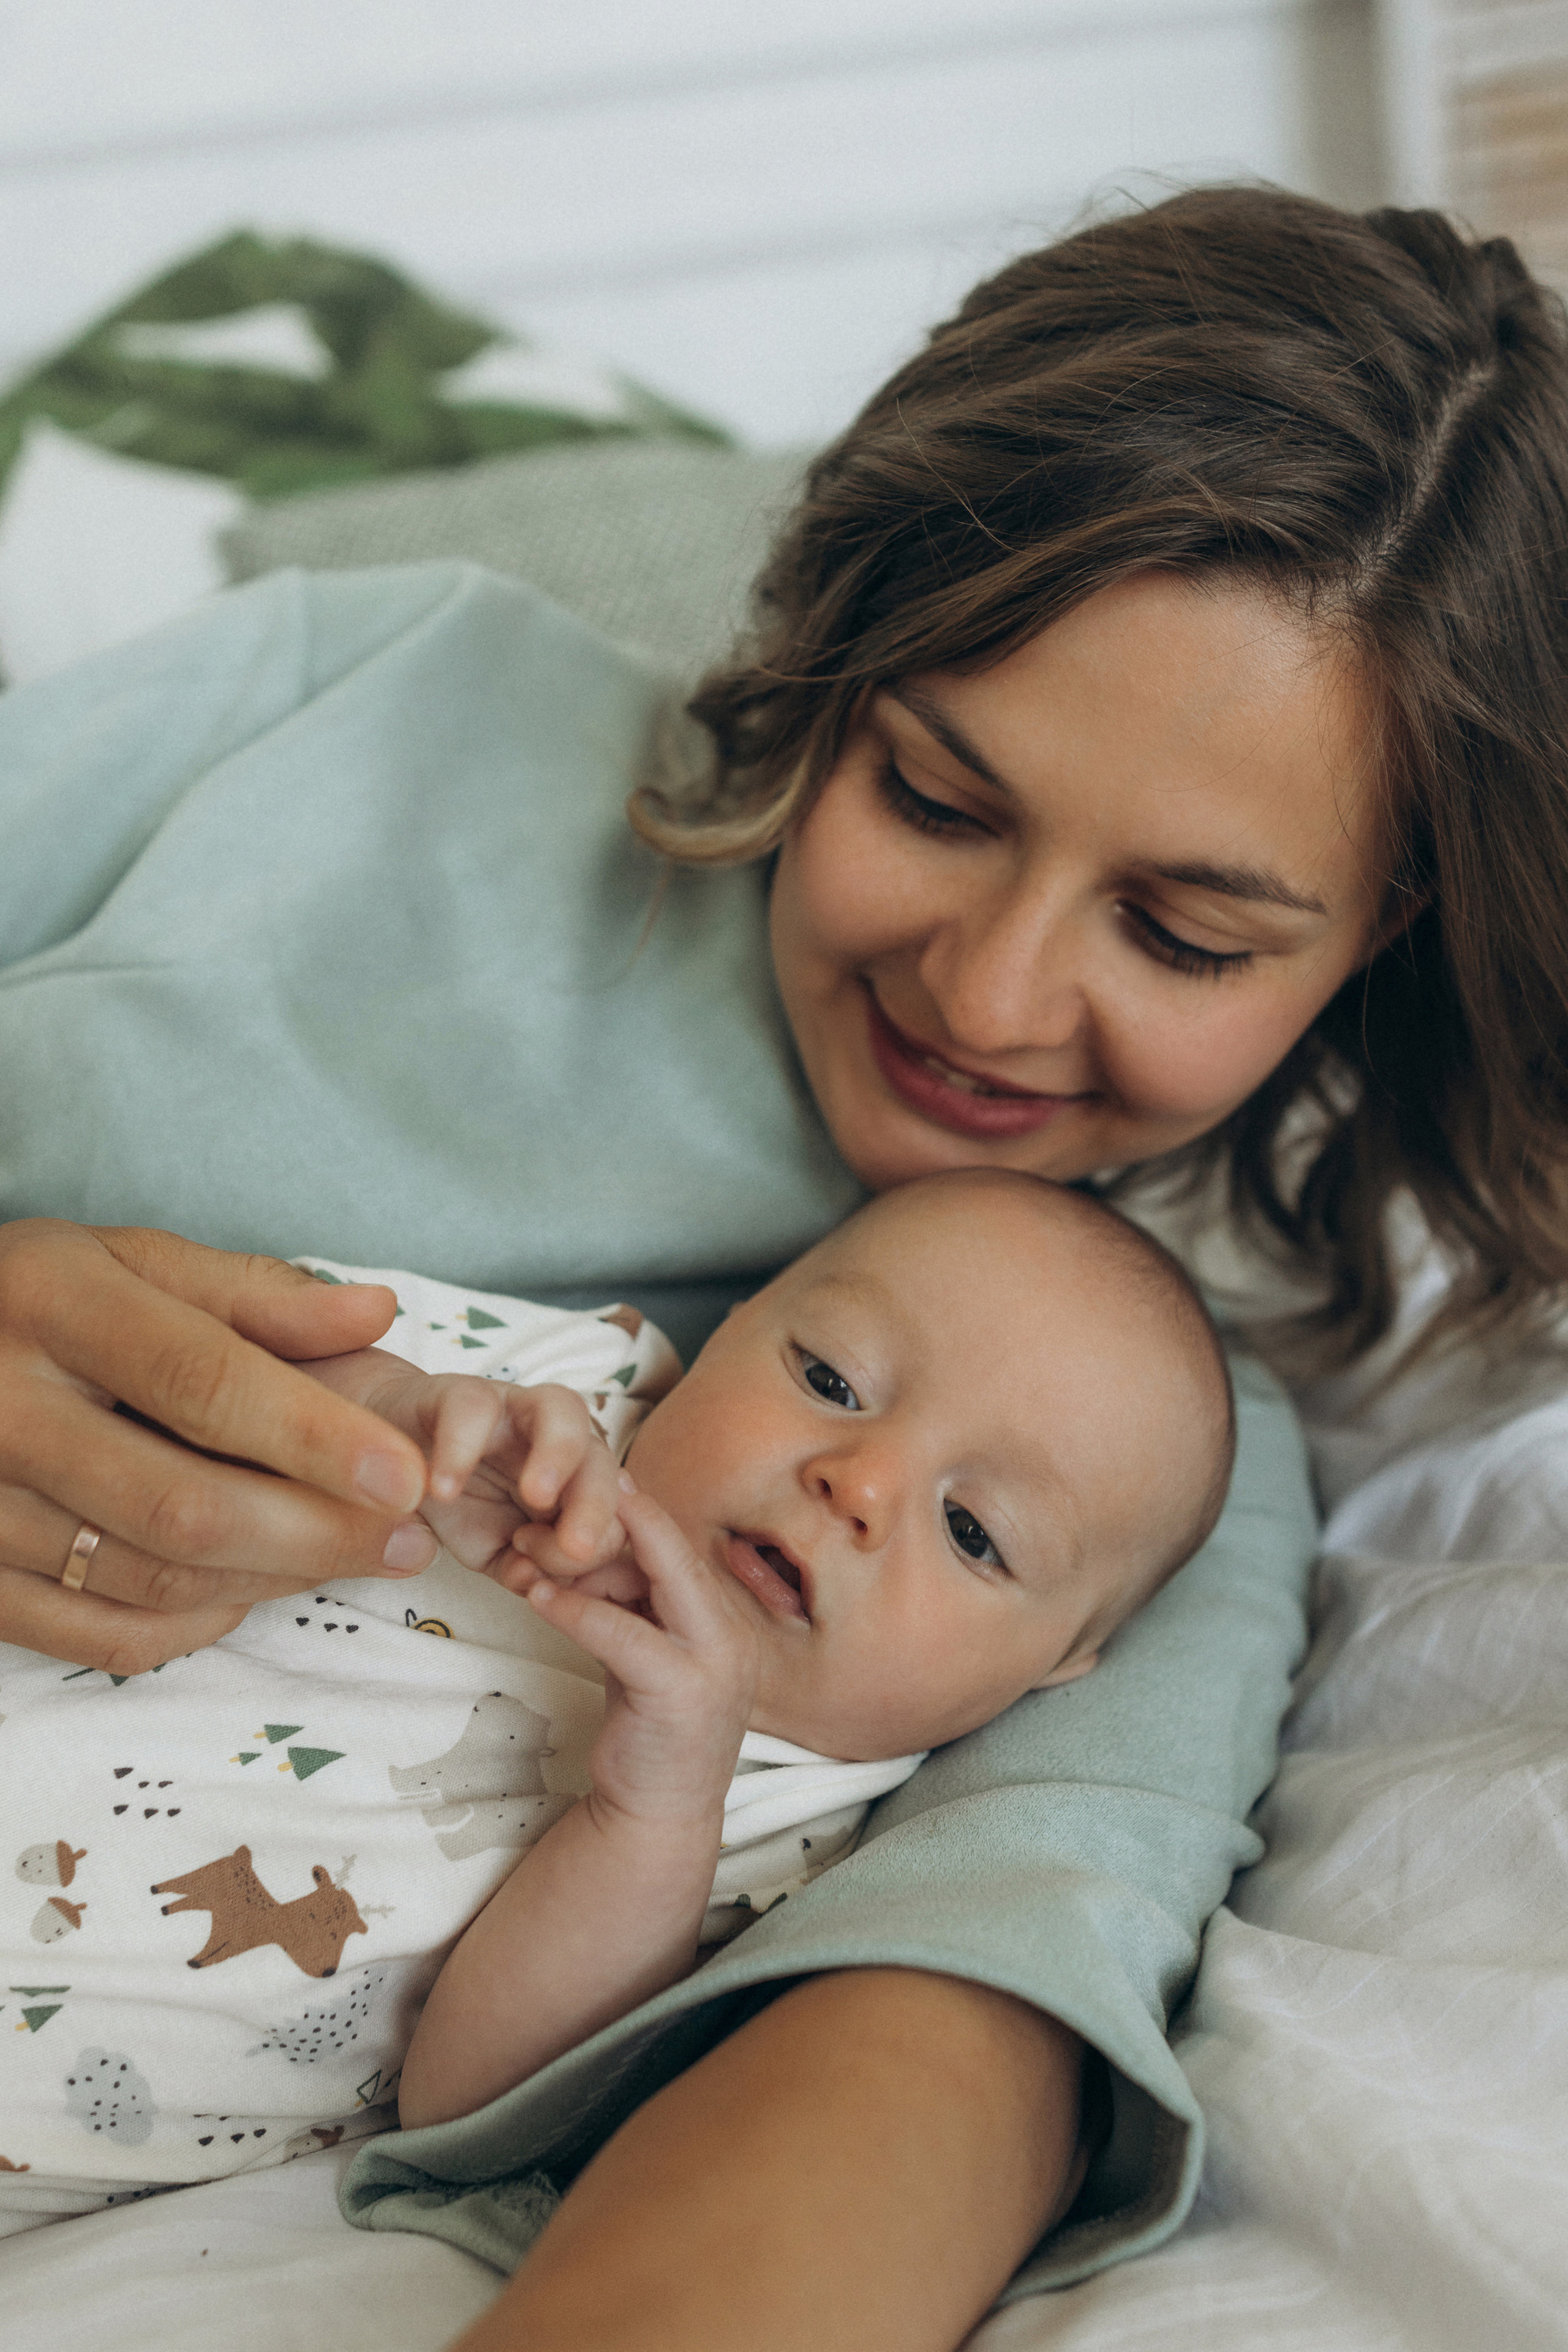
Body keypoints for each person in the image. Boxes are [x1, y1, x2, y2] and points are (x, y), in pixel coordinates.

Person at [0, 182, 1563, 2349]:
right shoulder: (370, 702)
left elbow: (925, 2059)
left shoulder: (1146, 1474)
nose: (997, 1002)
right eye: (935, 792)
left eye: (1188, 934)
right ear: (828, 646)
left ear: (1378, 931)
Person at [0, 1173, 1234, 2211]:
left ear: (1056, 1668)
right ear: (730, 1332)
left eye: (972, 1531)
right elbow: (186, 1365)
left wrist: (647, 1815)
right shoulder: (558, 1388)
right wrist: (379, 1414)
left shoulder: (793, 1827)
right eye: (829, 1379)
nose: (854, 1481)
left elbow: (470, 2102)